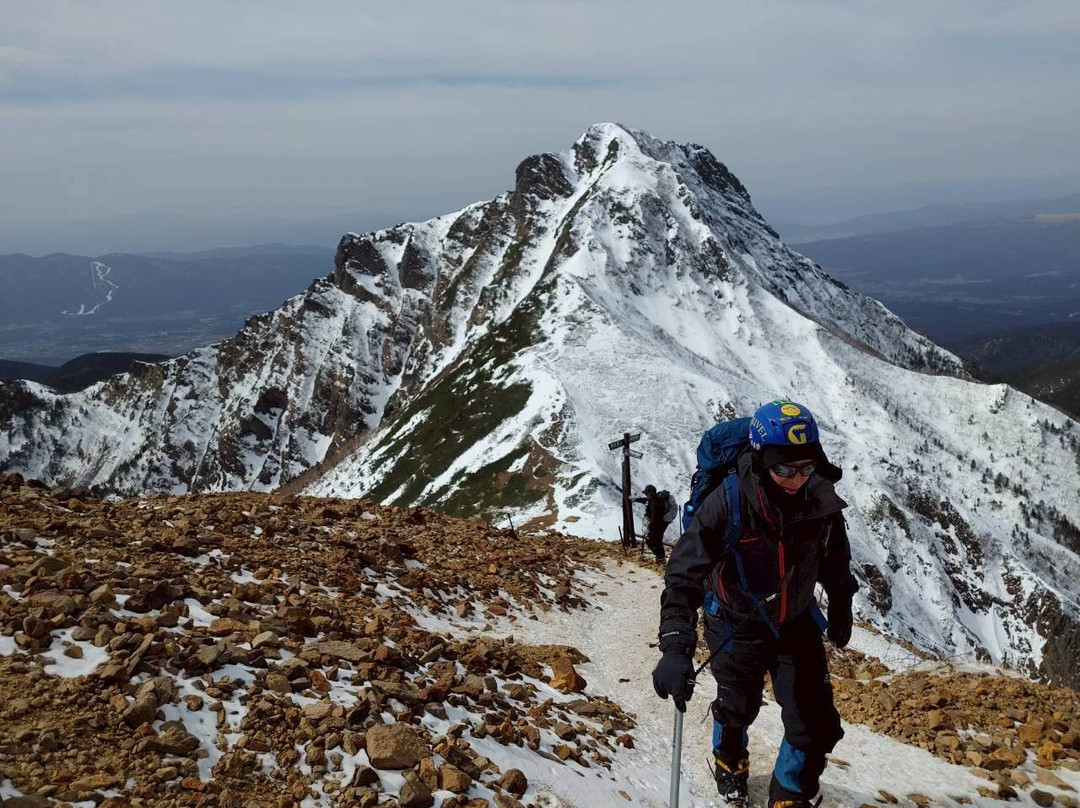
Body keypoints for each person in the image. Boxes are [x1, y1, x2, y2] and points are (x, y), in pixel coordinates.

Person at [651, 400, 858, 808]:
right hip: (735, 623)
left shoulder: (820, 500)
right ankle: (730, 765)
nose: (796, 479)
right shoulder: (726, 504)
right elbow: (683, 576)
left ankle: (790, 793)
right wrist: (676, 646)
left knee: (812, 718)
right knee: (737, 706)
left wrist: (840, 605)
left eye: (805, 468)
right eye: (784, 469)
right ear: (761, 461)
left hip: (794, 622)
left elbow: (835, 559)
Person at [633, 484, 670, 563]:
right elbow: (645, 500)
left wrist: (649, 528)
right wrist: (635, 499)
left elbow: (655, 518)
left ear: (650, 493)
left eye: (646, 493)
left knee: (651, 541)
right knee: (657, 541)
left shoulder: (655, 503)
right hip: (660, 525)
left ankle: (661, 558)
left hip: (657, 525)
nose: (646, 495)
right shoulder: (654, 499)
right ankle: (661, 558)